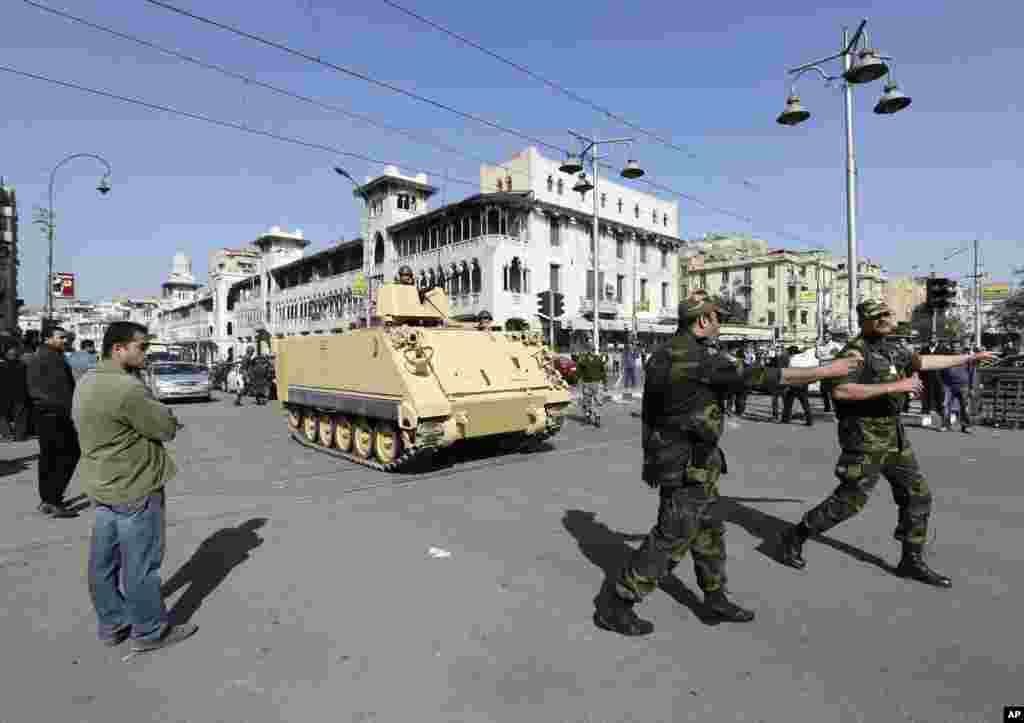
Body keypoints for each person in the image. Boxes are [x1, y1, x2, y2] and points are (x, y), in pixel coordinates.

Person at [594, 294, 861, 636]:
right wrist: (829, 370)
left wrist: (649, 458)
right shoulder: (701, 359)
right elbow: (764, 377)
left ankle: (714, 597)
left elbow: (650, 411)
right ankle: (618, 605)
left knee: (708, 531)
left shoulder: (661, 354)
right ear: (703, 321)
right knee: (672, 535)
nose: (721, 324)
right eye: (718, 318)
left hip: (685, 458)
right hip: (687, 461)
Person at [778, 300, 998, 588]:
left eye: (886, 314)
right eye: (877, 316)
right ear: (865, 322)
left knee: (918, 495)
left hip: (894, 438)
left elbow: (925, 362)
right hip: (864, 439)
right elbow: (842, 390)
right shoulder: (855, 351)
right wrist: (896, 386)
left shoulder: (894, 347)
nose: (884, 319)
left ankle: (911, 559)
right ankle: (797, 535)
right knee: (850, 501)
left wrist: (969, 357)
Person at [74, 321, 198, 652]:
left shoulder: (87, 380)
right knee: (141, 565)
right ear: (119, 349)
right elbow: (164, 427)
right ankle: (149, 630)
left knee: (103, 563)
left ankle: (113, 622)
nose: (145, 353)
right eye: (141, 347)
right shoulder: (127, 389)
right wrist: (166, 416)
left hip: (101, 484)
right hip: (134, 486)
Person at [26, 325, 80, 518]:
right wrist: (71, 412)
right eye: (61, 337)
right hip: (55, 413)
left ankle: (47, 500)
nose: (65, 341)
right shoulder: (51, 358)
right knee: (69, 454)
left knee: (49, 458)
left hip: (44, 412)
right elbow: (62, 391)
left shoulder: (40, 355)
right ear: (48, 339)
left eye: (65, 338)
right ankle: (54, 500)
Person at [940, 344, 974, 433]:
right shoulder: (946, 358)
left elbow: (971, 373)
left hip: (963, 385)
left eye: (957, 347)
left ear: (961, 348)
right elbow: (941, 371)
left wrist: (971, 387)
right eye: (953, 347)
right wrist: (943, 384)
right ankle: (945, 425)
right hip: (948, 385)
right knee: (946, 406)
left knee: (964, 407)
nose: (955, 348)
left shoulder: (966, 358)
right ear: (951, 348)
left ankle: (966, 426)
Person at [1, 345, 31, 441]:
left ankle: (7, 435)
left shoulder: (1, 366)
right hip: (20, 395)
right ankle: (19, 435)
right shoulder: (23, 366)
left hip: (4, 395)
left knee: (2, 416)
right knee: (20, 416)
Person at [781, 347, 814, 427]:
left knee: (788, 403)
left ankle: (786, 419)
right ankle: (809, 420)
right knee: (805, 403)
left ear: (791, 353)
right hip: (803, 383)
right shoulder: (804, 359)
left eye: (788, 352)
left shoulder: (792, 360)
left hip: (793, 384)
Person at [770, 346, 791, 421]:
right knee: (775, 399)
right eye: (776, 349)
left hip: (783, 380)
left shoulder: (784, 357)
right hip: (776, 381)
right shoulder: (775, 357)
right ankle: (776, 416)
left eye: (778, 349)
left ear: (782, 350)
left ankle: (785, 416)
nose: (776, 351)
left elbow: (781, 366)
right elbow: (770, 366)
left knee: (784, 399)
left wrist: (776, 356)